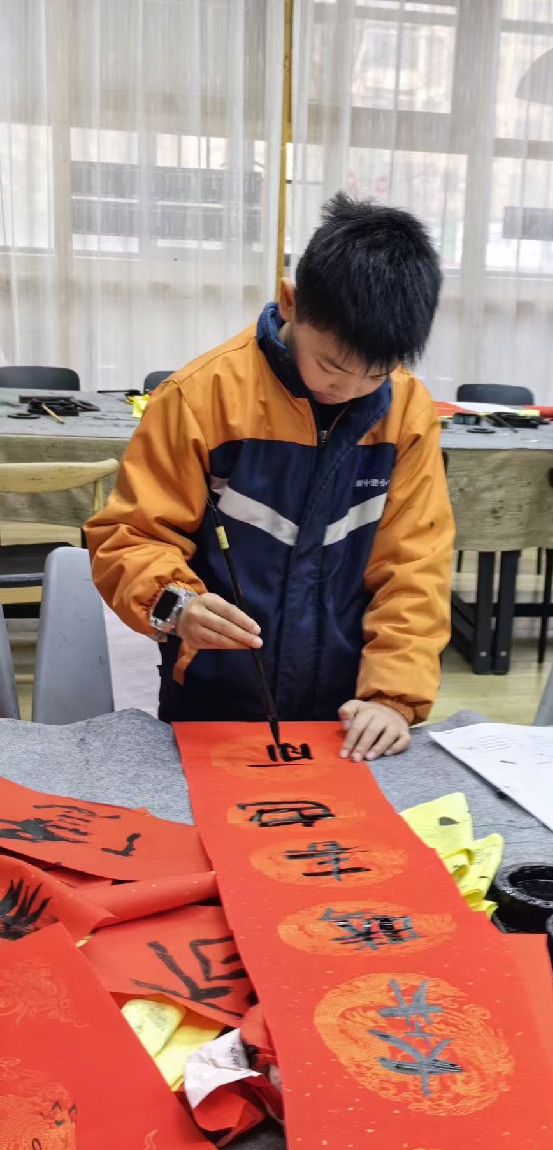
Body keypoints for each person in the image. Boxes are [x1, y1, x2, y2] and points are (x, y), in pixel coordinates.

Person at [87, 193, 455, 763]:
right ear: (290, 302)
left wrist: (392, 697)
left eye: (375, 374)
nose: (348, 389)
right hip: (212, 700)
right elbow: (130, 537)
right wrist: (177, 606)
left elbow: (415, 566)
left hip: (346, 714)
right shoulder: (201, 399)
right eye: (331, 365)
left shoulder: (406, 413)